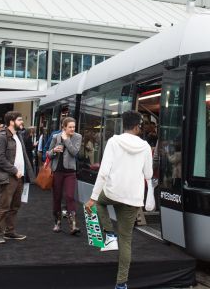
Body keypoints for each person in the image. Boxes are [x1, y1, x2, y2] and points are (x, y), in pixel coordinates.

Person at [84, 111, 153, 289]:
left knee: (99, 202)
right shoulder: (145, 146)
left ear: (123, 125)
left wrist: (92, 198)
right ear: (138, 126)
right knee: (126, 240)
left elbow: (104, 172)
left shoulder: (114, 141)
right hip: (133, 197)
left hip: (113, 192)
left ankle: (109, 232)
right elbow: (148, 175)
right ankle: (121, 283)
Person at [0, 111, 34, 244]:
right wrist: (15, 171)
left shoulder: (18, 136)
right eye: (20, 120)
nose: (22, 122)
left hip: (19, 177)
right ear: (11, 121)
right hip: (9, 177)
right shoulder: (2, 137)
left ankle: (9, 231)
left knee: (15, 206)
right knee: (4, 206)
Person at [47, 117, 82, 235]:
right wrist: (54, 151)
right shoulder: (55, 137)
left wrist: (66, 140)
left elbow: (75, 152)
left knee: (70, 196)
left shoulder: (78, 137)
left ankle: (73, 225)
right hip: (57, 171)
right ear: (64, 127)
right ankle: (57, 222)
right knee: (57, 197)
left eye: (74, 127)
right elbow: (48, 153)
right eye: (70, 127)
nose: (72, 129)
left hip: (70, 172)